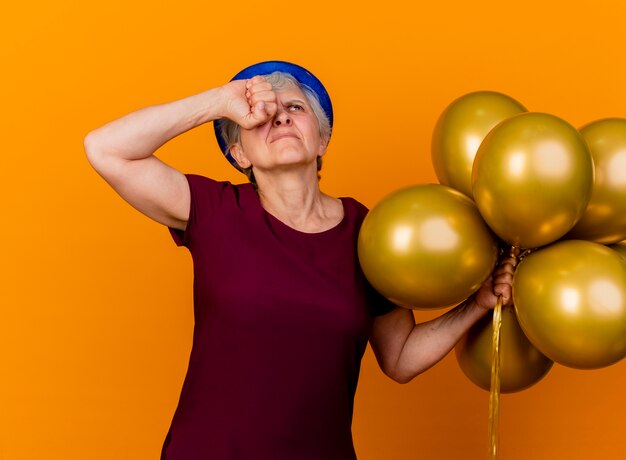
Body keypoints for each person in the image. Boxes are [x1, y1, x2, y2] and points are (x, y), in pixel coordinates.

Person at [84, 61, 515, 460]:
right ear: (240, 156)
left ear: (322, 139)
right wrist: (219, 102)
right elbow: (106, 148)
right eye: (260, 116)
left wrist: (475, 304)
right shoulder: (214, 210)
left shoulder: (367, 232)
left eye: (295, 107)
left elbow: (400, 358)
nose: (281, 118)